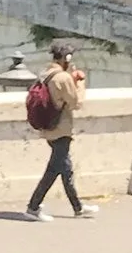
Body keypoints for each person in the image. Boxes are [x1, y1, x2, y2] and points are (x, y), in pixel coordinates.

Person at [26, 42, 96, 219]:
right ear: (67, 58)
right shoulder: (63, 78)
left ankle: (78, 207)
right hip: (61, 129)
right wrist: (79, 82)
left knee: (66, 169)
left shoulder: (45, 74)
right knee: (54, 170)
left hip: (49, 127)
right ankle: (33, 207)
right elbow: (76, 103)